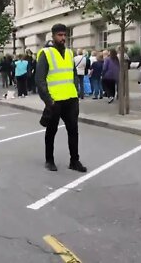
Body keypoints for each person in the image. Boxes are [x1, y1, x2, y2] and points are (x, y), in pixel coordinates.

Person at [35, 23, 87, 173]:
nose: (63, 38)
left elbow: (73, 74)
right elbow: (39, 79)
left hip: (70, 98)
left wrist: (76, 91)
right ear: (53, 36)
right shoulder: (46, 53)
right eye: (60, 35)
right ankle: (49, 160)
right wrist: (48, 100)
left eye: (64, 35)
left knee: (73, 130)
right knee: (51, 130)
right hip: (55, 99)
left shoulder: (70, 53)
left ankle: (74, 160)